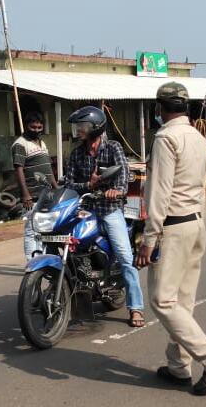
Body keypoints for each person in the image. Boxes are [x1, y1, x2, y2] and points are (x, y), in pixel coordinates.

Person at [135, 82, 206, 396]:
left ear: (159, 108)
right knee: (183, 301)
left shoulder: (165, 138)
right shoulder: (197, 138)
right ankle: (178, 366)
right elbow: (202, 187)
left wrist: (149, 239)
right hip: (195, 223)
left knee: (162, 300)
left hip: (173, 228)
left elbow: (159, 194)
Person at [65, 106, 145, 328]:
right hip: (85, 209)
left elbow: (124, 174)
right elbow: (69, 184)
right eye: (77, 126)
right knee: (69, 247)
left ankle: (136, 307)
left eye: (82, 126)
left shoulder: (113, 147)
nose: (78, 130)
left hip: (109, 209)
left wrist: (117, 190)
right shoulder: (77, 153)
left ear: (95, 127)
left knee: (125, 257)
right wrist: (88, 185)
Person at [13, 111, 57, 262]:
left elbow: (48, 168)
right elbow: (19, 170)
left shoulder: (42, 143)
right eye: (33, 127)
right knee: (32, 231)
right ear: (26, 126)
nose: (37, 130)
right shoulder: (20, 144)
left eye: (39, 127)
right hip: (32, 196)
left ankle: (42, 261)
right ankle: (32, 263)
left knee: (44, 230)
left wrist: (56, 188)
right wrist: (26, 195)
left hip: (47, 194)